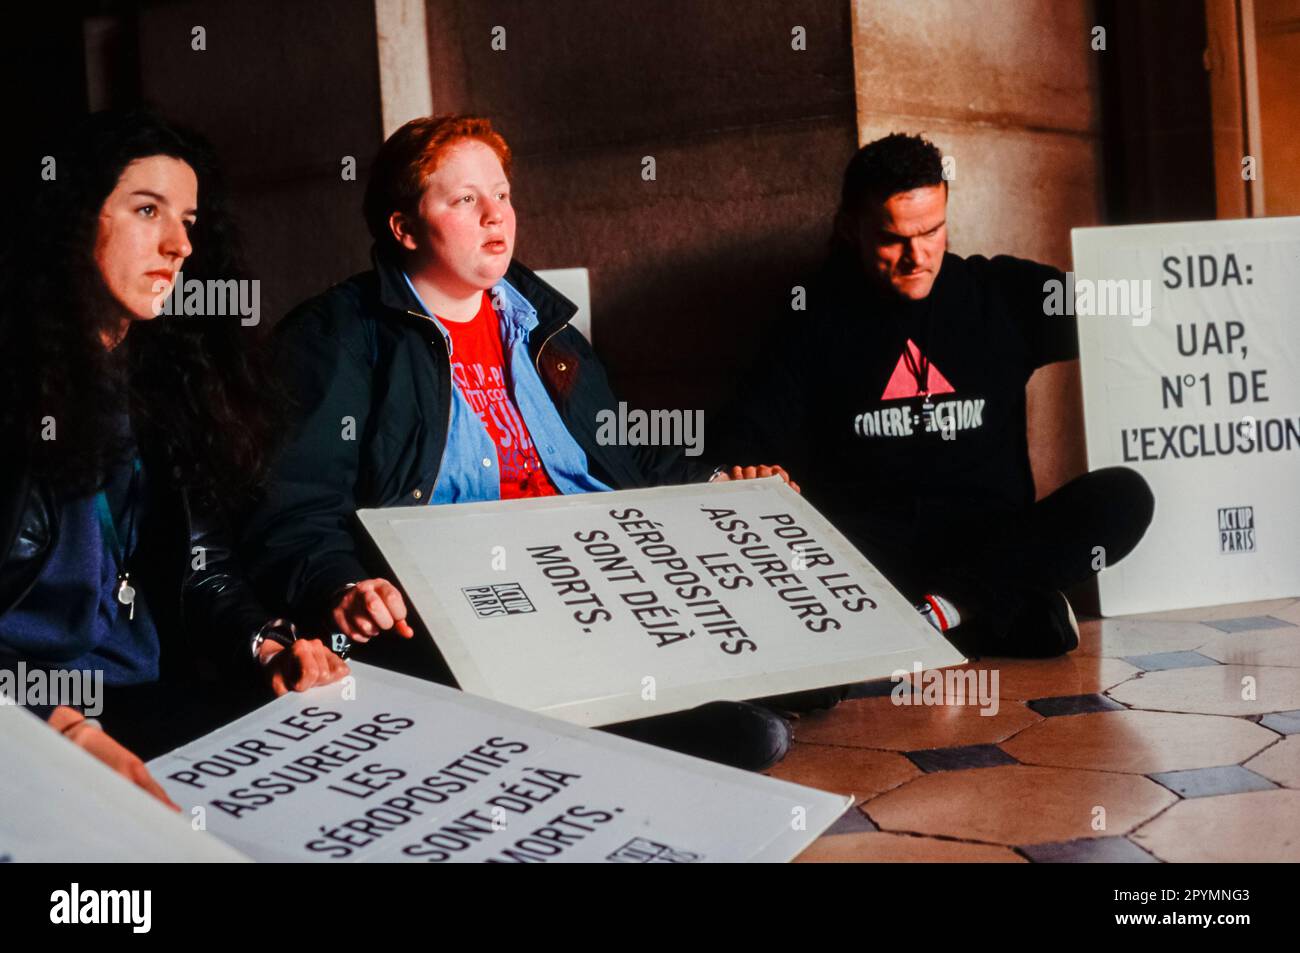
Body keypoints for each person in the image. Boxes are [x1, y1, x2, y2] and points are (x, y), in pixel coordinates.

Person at [242, 115, 797, 770]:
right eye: (464, 200)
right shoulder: (336, 336)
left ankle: (603, 715)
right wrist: (342, 583)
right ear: (403, 227)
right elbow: (295, 509)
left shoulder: (543, 325)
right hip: (463, 598)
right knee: (751, 732)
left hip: (591, 576)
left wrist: (720, 483)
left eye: (501, 195)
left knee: (784, 649)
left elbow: (617, 454)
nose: (495, 216)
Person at [0, 110, 349, 804]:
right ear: (71, 218)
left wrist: (268, 644)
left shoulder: (164, 382)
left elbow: (203, 570)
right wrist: (60, 727)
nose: (179, 242)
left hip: (147, 698)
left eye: (188, 218)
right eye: (147, 209)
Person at [715, 132, 1154, 668]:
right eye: (892, 238)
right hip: (870, 560)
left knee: (1125, 496)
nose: (916, 257)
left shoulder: (999, 294)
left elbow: (1132, 308)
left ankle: (944, 613)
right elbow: (747, 438)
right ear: (850, 228)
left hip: (991, 544)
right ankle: (995, 612)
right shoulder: (809, 316)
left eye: (932, 231)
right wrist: (756, 471)